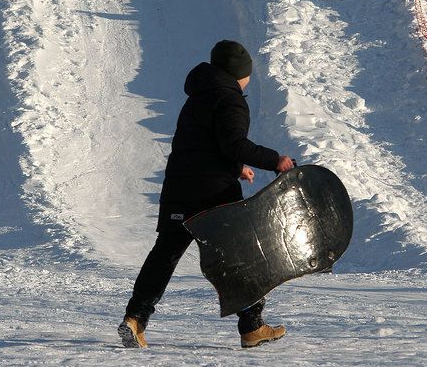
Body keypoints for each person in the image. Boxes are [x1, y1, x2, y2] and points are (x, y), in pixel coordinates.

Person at [118, 40, 295, 349]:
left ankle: (135, 319)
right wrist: (275, 160)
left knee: (165, 255)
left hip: (180, 186)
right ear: (239, 73)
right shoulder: (231, 100)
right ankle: (252, 326)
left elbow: (203, 142)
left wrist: (236, 166)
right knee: (241, 255)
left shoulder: (198, 96)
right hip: (214, 192)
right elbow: (233, 143)